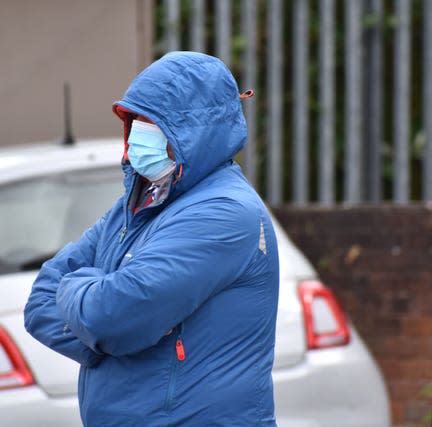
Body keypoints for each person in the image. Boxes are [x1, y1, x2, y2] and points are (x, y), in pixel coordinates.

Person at [24, 51, 279, 427]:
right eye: (134, 121)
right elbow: (40, 302)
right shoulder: (138, 202)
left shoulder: (223, 212)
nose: (138, 133)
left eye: (152, 122)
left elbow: (111, 315)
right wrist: (109, 340)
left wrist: (91, 307)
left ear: (194, 131)